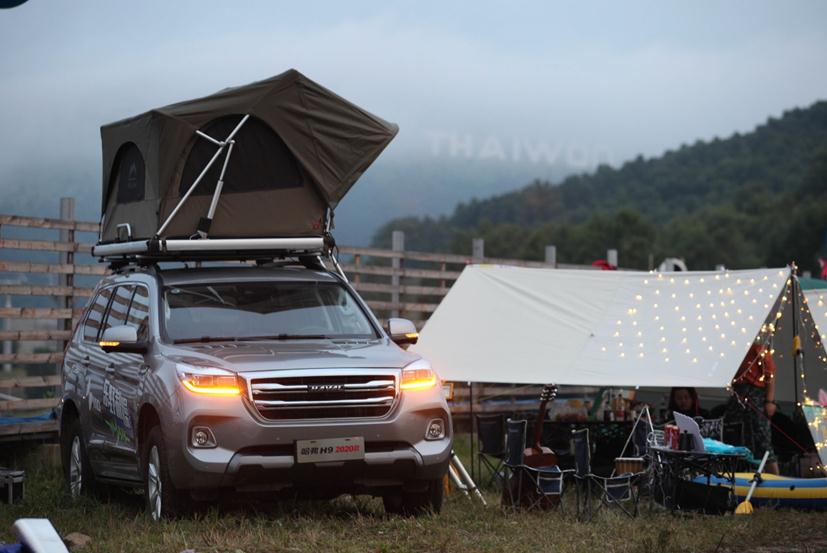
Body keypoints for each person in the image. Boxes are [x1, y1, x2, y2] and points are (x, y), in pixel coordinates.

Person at [725, 341, 780, 475]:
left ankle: (775, 479)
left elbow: (770, 375)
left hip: (755, 397)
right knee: (736, 438)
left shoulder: (757, 348)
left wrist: (770, 401)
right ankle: (739, 477)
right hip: (738, 397)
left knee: (762, 441)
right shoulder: (732, 349)